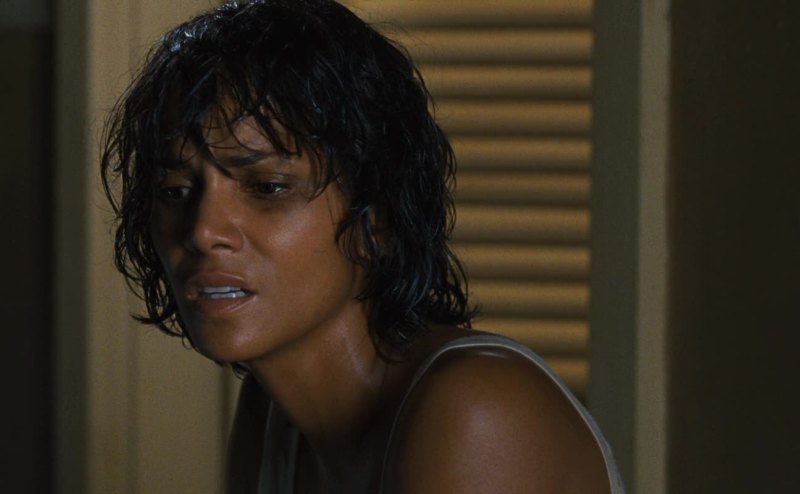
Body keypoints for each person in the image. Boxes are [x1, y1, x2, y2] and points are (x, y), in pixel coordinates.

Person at [101, 0, 625, 492]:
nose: (201, 230)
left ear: (376, 220)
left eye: (268, 188)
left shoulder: (476, 411)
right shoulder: (270, 411)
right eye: (175, 191)